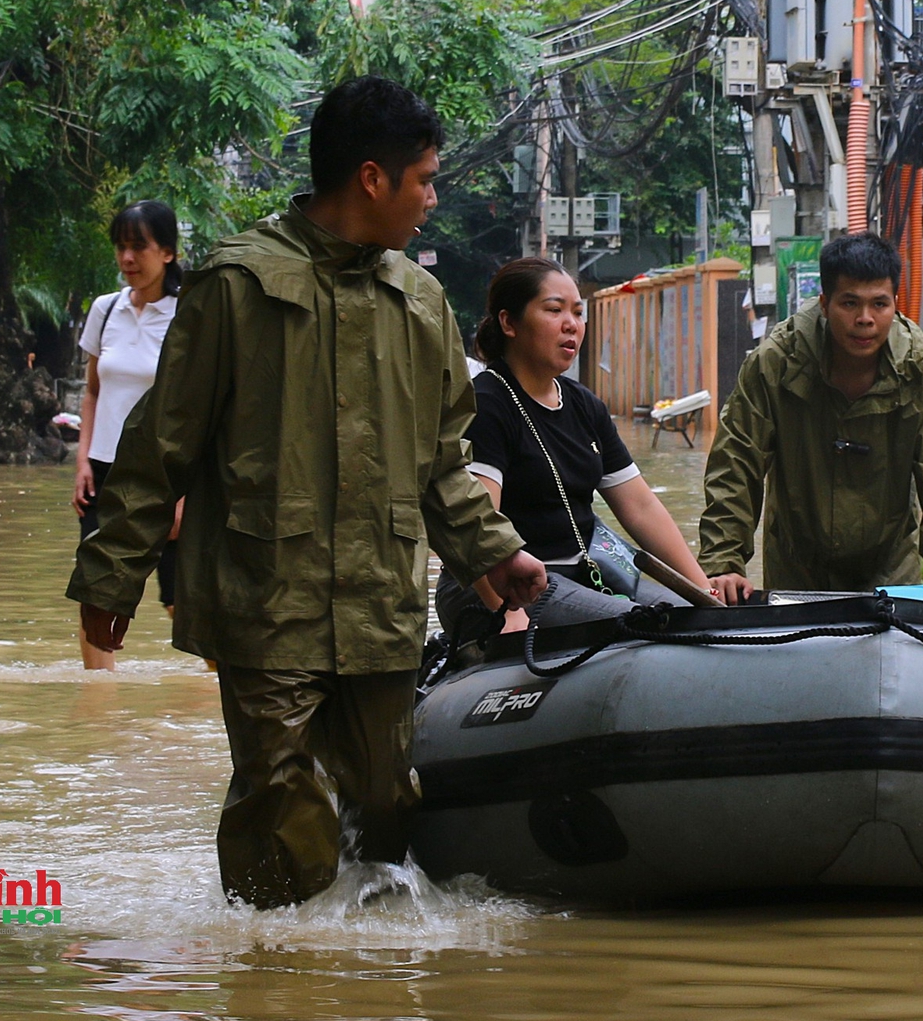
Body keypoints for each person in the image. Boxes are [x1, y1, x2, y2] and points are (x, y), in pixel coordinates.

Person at [68, 76, 548, 910]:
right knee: (280, 799)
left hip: (379, 601)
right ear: (372, 178)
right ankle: (271, 990)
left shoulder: (420, 300)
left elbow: (441, 460)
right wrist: (113, 581)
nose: (433, 198)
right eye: (425, 179)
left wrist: (493, 553)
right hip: (265, 595)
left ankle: (362, 1003)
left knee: (386, 801)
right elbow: (159, 447)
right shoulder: (238, 286)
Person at [699, 232, 923, 600]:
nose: (865, 319)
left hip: (890, 568)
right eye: (849, 303)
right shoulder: (776, 362)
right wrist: (723, 564)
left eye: (879, 304)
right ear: (824, 303)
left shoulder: (921, 368)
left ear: (895, 305)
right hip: (795, 567)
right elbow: (736, 463)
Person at [435, 257, 711, 632]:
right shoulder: (487, 404)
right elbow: (475, 526)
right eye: (554, 310)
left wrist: (703, 590)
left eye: (579, 313)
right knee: (648, 627)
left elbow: (641, 506)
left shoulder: (584, 405)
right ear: (509, 322)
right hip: (506, 585)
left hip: (585, 571)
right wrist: (510, 613)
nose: (572, 324)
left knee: (692, 616)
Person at [73, 201, 182, 670]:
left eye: (139, 247)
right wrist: (81, 462)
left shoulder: (189, 314)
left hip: (167, 474)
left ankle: (209, 709)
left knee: (183, 600)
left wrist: (187, 496)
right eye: (121, 247)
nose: (127, 258)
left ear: (169, 253)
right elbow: (93, 392)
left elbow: (204, 410)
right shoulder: (105, 309)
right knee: (98, 596)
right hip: (103, 471)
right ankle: (100, 717)